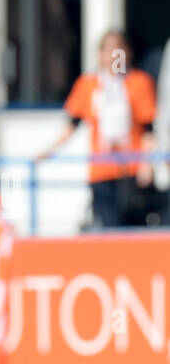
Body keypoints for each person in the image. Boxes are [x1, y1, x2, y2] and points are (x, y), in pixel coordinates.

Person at [38, 29, 159, 228]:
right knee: (111, 229)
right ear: (100, 54)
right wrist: (47, 152)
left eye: (118, 48)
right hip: (102, 171)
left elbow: (148, 130)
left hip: (132, 171)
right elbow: (71, 127)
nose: (114, 54)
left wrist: (147, 164)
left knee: (136, 230)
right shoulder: (88, 85)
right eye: (108, 49)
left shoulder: (139, 83)